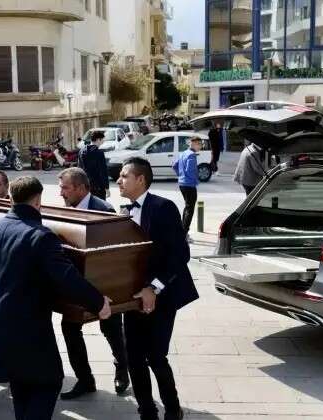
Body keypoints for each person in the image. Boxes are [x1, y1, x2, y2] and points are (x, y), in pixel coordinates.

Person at [0, 176, 112, 420]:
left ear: (11, 199)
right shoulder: (41, 236)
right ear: (37, 202)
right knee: (49, 382)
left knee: (21, 383)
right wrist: (98, 303)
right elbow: (67, 278)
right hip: (27, 328)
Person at [117, 157, 199, 420]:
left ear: (141, 179)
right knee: (133, 357)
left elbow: (180, 255)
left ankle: (173, 409)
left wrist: (154, 288)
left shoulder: (163, 207)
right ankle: (146, 410)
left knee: (155, 356)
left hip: (163, 294)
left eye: (124, 176)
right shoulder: (123, 211)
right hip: (132, 297)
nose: (119, 180)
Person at [57, 167, 130, 399]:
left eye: (65, 188)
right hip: (76, 286)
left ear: (80, 188)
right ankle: (85, 380)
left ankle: (122, 369)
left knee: (111, 329)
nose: (61, 193)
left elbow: (113, 252)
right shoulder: (64, 208)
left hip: (103, 286)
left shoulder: (104, 210)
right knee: (70, 328)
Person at [173, 137, 201, 241]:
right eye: (199, 144)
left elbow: (174, 165)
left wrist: (180, 175)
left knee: (187, 207)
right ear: (194, 144)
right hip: (189, 185)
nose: (200, 146)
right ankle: (184, 234)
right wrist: (195, 180)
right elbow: (190, 170)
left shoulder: (183, 153)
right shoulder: (192, 155)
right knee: (190, 209)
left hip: (182, 184)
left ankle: (182, 231)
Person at [78, 130, 109, 199]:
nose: (103, 142)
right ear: (98, 139)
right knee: (99, 205)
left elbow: (79, 169)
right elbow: (103, 171)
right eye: (102, 140)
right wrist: (107, 187)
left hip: (85, 186)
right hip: (98, 187)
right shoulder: (99, 153)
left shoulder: (81, 151)